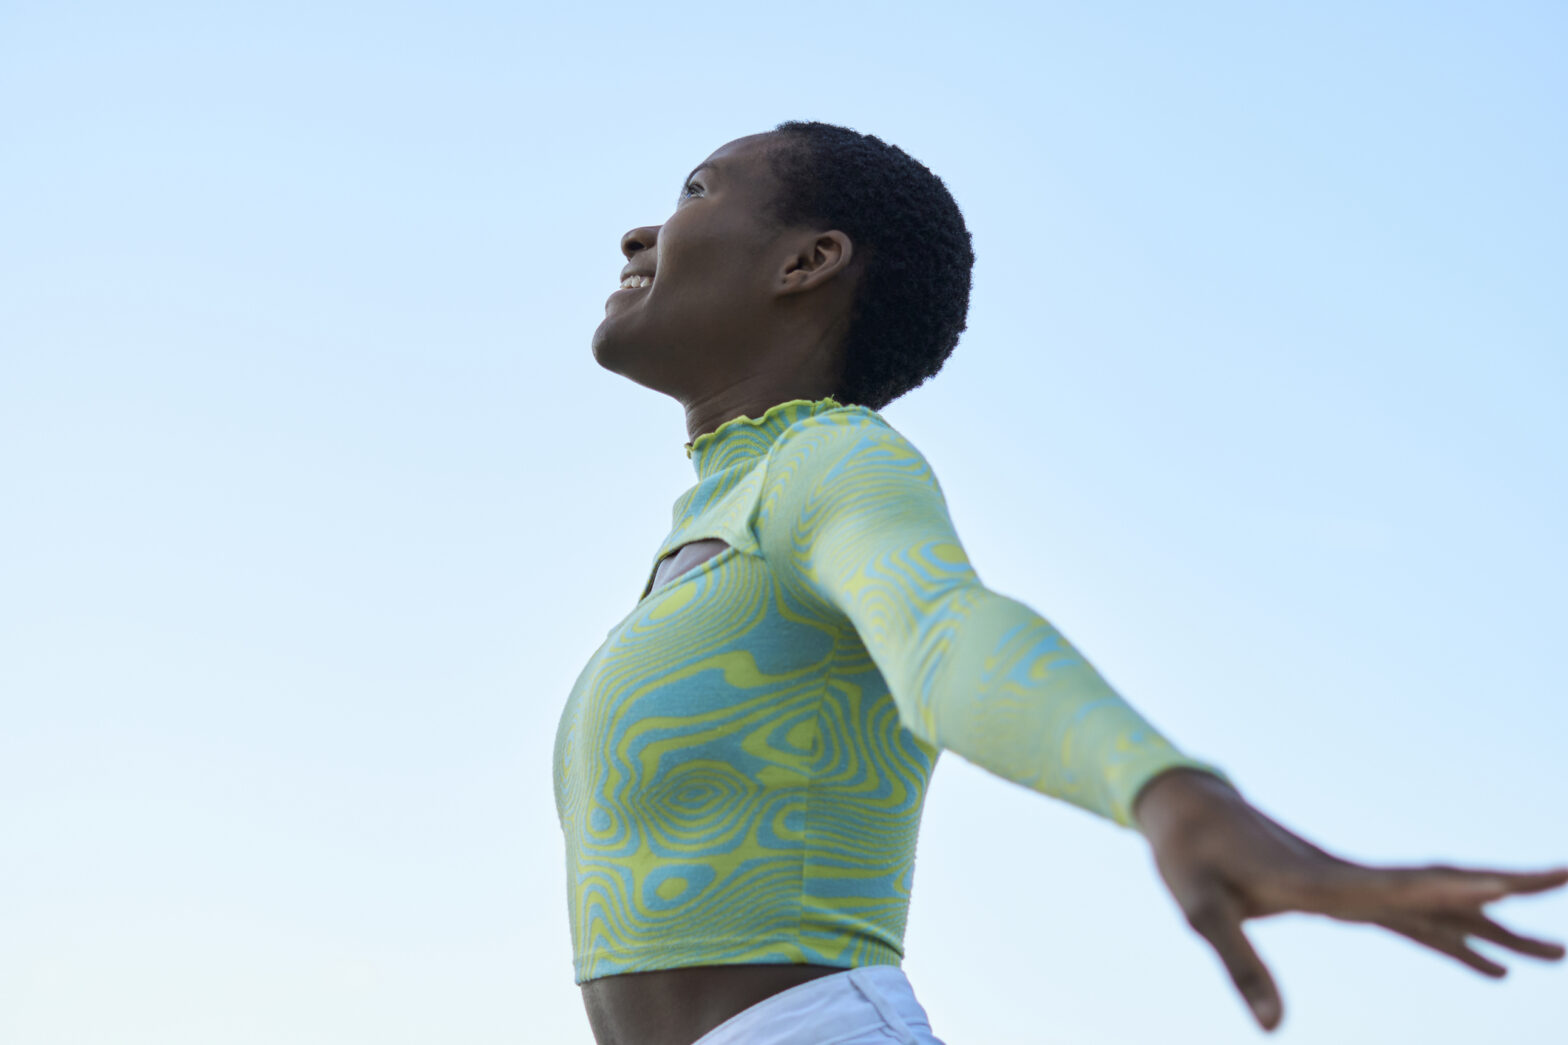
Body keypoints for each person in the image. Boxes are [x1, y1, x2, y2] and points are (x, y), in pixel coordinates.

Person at [552, 120, 1566, 1045]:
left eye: (695, 189)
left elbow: (945, 633)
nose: (642, 232)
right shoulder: (723, 513)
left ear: (806, 262)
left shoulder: (830, 459)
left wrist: (1164, 789)